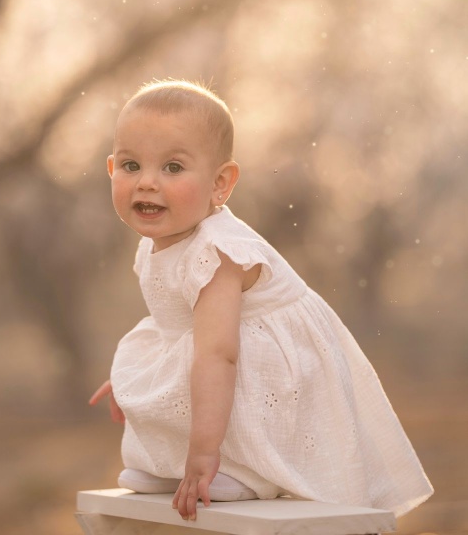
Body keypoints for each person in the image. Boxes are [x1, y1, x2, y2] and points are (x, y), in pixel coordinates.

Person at [89, 79, 433, 522]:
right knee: (198, 364)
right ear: (111, 168)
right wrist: (131, 377)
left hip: (269, 363)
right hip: (218, 346)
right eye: (132, 166)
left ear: (220, 184)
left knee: (211, 369)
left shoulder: (217, 252)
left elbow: (220, 355)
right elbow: (173, 321)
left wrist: (203, 452)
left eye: (173, 168)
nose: (148, 183)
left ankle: (241, 468)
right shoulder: (158, 243)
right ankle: (174, 463)